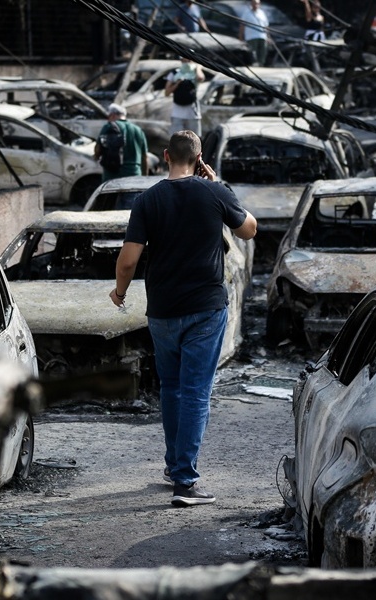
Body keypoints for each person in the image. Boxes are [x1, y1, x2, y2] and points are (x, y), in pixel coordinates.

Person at [110, 130, 257, 507]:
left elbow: (128, 260)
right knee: (195, 393)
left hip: (162, 309)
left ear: (164, 156)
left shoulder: (147, 200)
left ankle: (175, 467)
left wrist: (119, 293)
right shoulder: (215, 192)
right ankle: (185, 483)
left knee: (172, 389)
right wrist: (216, 183)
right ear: (200, 157)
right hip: (206, 307)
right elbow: (249, 229)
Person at [94, 103, 149, 182]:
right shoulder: (138, 130)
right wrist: (145, 178)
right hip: (134, 175)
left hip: (112, 176)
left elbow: (98, 149)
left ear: (112, 115)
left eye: (108, 117)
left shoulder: (108, 126)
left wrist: (96, 156)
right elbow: (145, 157)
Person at [164, 57, 205, 137]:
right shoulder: (175, 73)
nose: (186, 62)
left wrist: (198, 67)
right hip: (177, 114)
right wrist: (177, 83)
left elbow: (200, 78)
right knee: (176, 140)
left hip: (192, 114)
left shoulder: (195, 72)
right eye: (184, 59)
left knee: (194, 140)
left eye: (189, 59)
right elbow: (167, 92)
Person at [238, 0, 270, 66]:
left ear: (259, 4)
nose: (256, 5)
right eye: (254, 3)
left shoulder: (262, 13)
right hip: (251, 36)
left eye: (257, 3)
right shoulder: (247, 13)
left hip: (262, 36)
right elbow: (242, 25)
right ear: (251, 4)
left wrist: (268, 36)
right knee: (252, 52)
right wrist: (241, 36)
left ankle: (261, 65)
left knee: (262, 52)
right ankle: (253, 64)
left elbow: (266, 25)